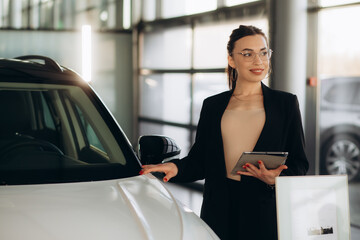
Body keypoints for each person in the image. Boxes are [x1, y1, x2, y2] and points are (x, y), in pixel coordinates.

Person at [140, 25, 309, 240]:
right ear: (231, 59)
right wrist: (174, 167)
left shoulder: (285, 104)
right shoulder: (213, 106)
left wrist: (275, 179)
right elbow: (200, 160)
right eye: (247, 54)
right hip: (219, 210)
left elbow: (299, 163)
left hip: (265, 213)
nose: (258, 61)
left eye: (263, 53)